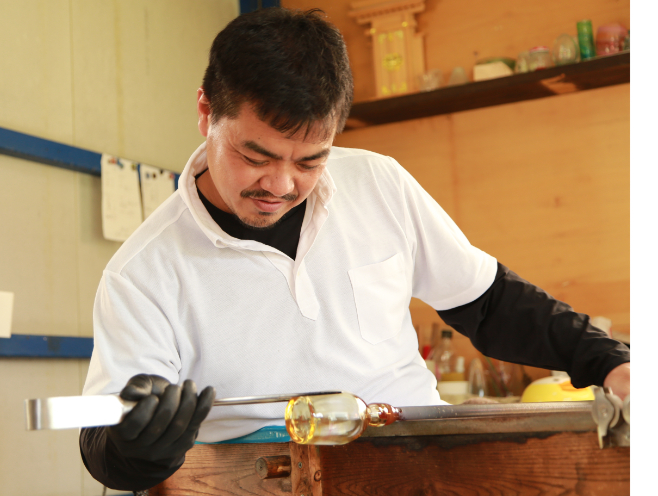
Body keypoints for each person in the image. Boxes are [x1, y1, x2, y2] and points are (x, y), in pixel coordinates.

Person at [79, 7, 630, 492]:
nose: (282, 185)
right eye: (255, 156)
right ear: (206, 112)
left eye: (310, 161)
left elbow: (488, 302)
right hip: (258, 482)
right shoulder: (143, 271)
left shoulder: (378, 183)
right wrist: (140, 447)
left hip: (421, 474)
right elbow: (105, 445)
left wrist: (609, 361)